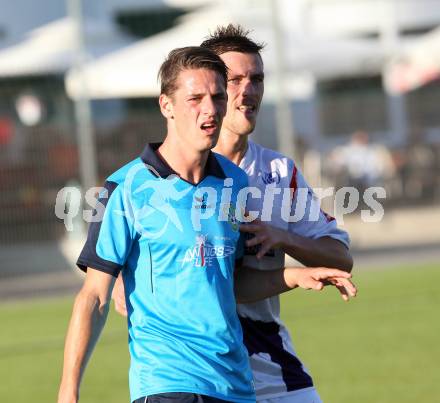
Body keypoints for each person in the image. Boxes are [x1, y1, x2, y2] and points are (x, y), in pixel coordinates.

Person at [59, 46, 355, 403]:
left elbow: (232, 283)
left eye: (217, 97)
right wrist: (68, 389)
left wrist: (296, 276)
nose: (210, 109)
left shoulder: (234, 184)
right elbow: (93, 295)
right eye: (195, 98)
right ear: (166, 105)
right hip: (168, 382)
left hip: (235, 385)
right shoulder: (127, 187)